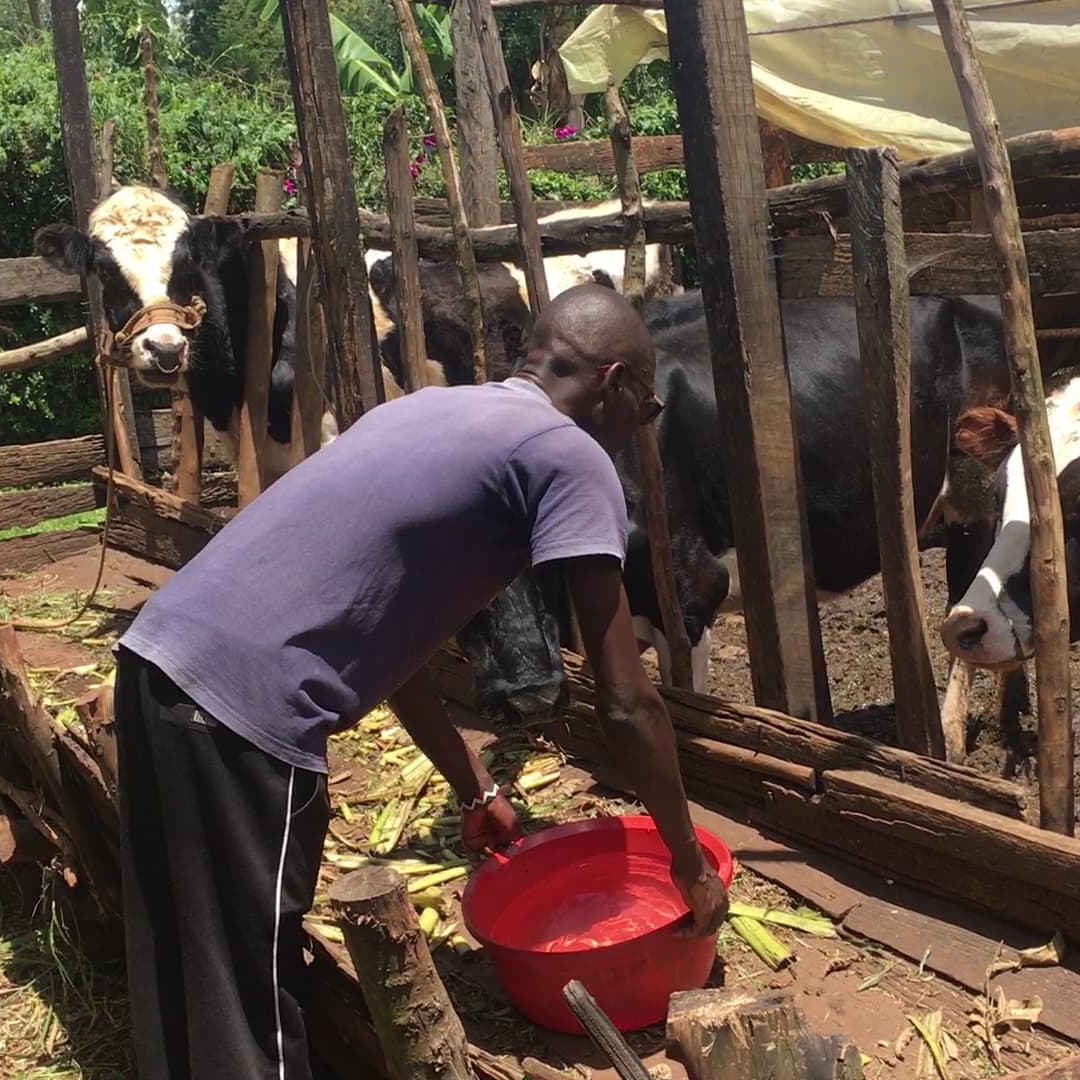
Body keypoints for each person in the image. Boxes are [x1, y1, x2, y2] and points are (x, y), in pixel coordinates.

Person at [111, 284, 730, 1080]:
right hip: (244, 715)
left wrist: (473, 787)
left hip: (156, 661)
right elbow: (627, 701)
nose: (636, 428)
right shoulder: (567, 452)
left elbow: (391, 639)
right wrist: (686, 861)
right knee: (251, 996)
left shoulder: (424, 411)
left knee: (182, 957)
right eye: (644, 409)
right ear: (614, 384)